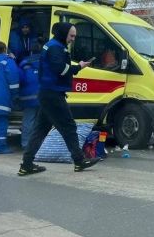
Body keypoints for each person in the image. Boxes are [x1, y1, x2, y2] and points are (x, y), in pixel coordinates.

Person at [18, 22, 100, 176]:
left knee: (40, 130)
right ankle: (79, 160)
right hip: (53, 94)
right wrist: (79, 67)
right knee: (68, 126)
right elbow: (61, 69)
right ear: (64, 33)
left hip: (47, 93)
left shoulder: (53, 45)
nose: (73, 39)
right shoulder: (56, 47)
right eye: (71, 36)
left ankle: (26, 164)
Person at [18, 39, 43, 149]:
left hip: (28, 97)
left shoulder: (24, 63)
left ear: (31, 52)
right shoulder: (46, 62)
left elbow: (20, 79)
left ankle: (26, 144)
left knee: (28, 121)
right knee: (41, 122)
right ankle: (38, 145)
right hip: (43, 96)